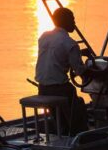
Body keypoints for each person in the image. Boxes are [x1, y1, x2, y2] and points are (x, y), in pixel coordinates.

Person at [34, 7, 94, 135]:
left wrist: (79, 53)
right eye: (72, 19)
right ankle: (80, 134)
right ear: (64, 21)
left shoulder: (44, 37)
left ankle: (63, 130)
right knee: (78, 103)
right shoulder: (70, 43)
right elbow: (80, 71)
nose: (74, 23)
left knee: (61, 114)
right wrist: (98, 73)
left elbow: (55, 54)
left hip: (42, 89)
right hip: (60, 90)